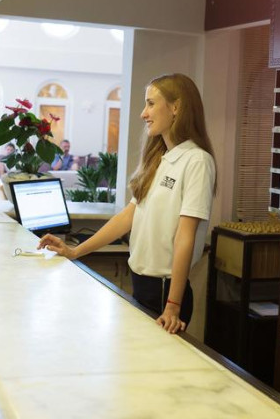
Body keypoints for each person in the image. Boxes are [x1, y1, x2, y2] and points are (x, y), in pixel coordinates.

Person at [39, 73, 215, 333]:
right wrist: (75, 251)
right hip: (142, 285)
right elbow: (127, 216)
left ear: (176, 107)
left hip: (165, 292)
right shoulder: (159, 159)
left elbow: (185, 237)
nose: (144, 113)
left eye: (151, 104)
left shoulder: (197, 161)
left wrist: (173, 305)